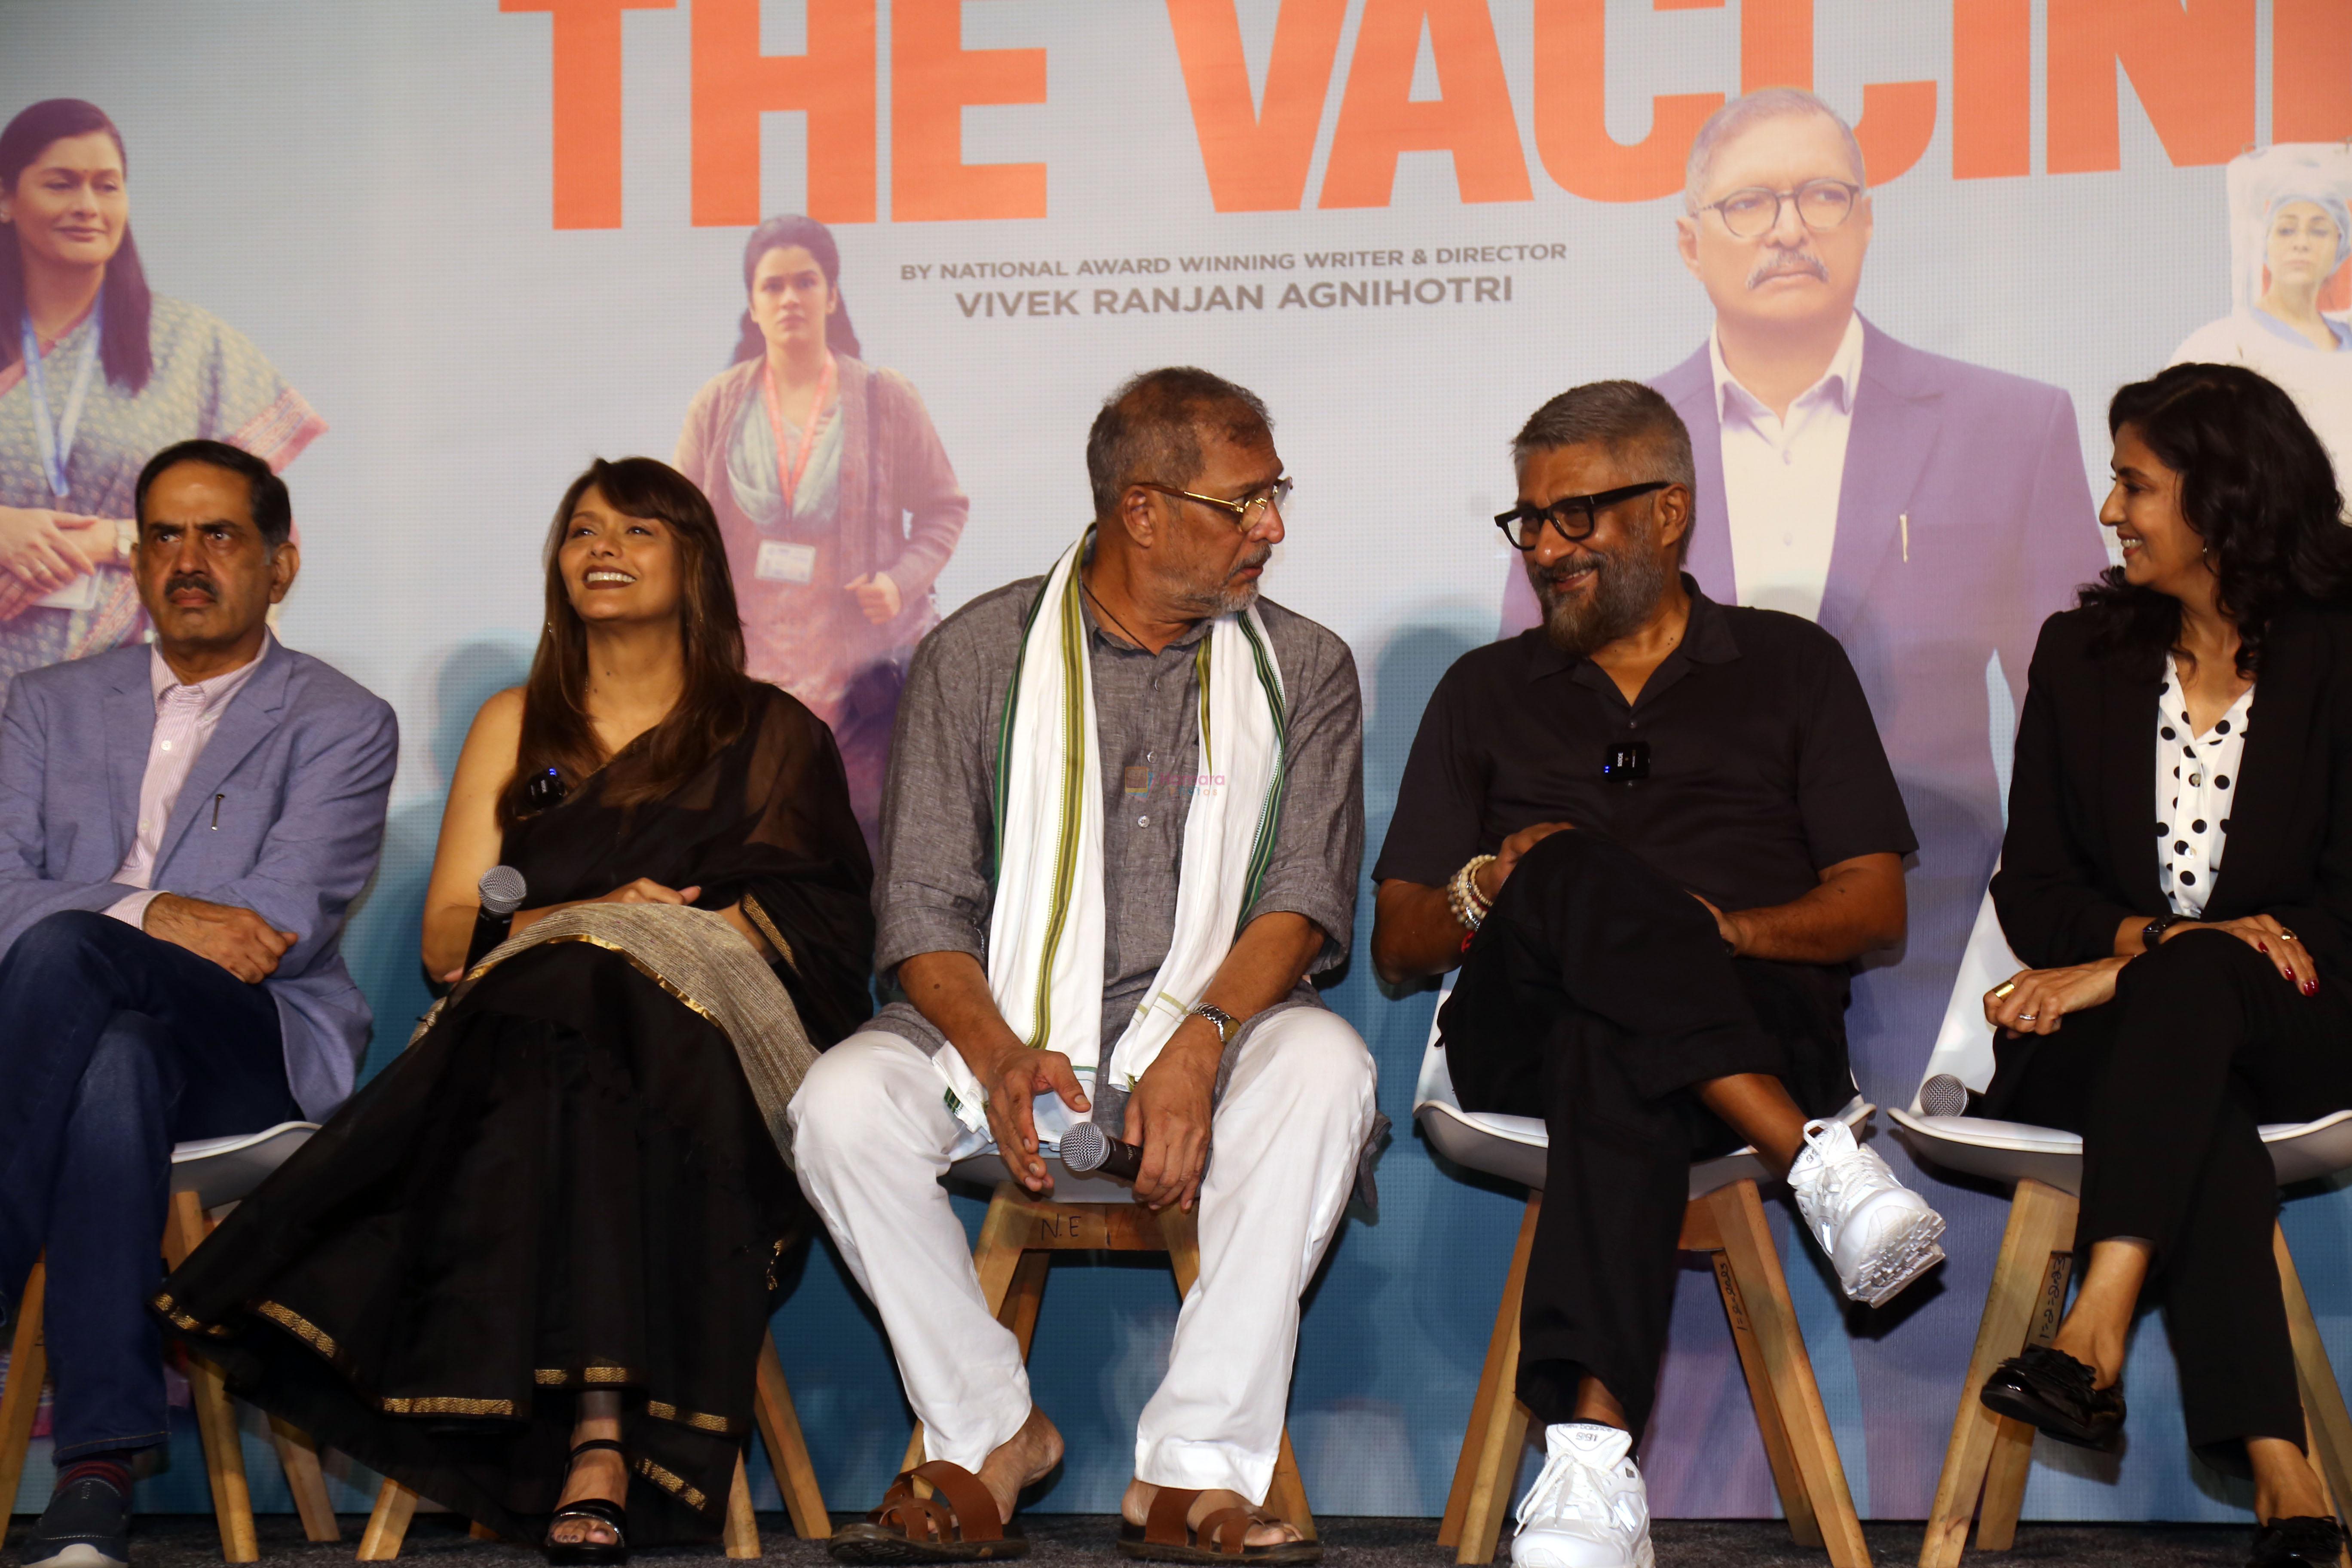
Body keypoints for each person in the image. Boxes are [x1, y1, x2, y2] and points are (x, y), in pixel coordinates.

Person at [152, 458, 875, 1561]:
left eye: (636, 531)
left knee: (597, 999)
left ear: (694, 563)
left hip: (704, 1075)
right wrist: (592, 912)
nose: (602, 548)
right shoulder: (515, 721)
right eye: (582, 530)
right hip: (529, 1045)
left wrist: (663, 937)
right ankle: (598, 1438)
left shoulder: (772, 733)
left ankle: (563, 1420)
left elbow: (822, 936)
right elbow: (451, 938)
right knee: (574, 991)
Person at [790, 368, 1374, 1564]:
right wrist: (1001, 1057)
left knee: (1324, 1067)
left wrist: (1200, 1042)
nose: (1274, 527)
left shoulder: (1303, 668)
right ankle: (994, 1431)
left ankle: (1193, 1469)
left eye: (1278, 495)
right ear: (1142, 511)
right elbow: (920, 910)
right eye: (1246, 501)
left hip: (1225, 1024)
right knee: (837, 1105)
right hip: (1008, 1030)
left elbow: (1303, 903)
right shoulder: (977, 654)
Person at [1379, 382, 1945, 1568]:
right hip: (1513, 1035)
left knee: (1613, 1040)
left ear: (1669, 513)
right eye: (1528, 522)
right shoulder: (1486, 691)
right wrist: (1492, 887)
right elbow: (1396, 944)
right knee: (1572, 872)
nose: (1543, 548)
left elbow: (1874, 910)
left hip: (1750, 1016)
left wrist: (1719, 933)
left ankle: (1588, 1468)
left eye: (1573, 519)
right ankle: (1816, 1164)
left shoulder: (1792, 666)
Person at [1500, 86, 2105, 1132]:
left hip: (1939, 928)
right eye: (1748, 203)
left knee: (1945, 1261)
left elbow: (2080, 722)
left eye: (1821, 195)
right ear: (1688, 244)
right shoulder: (1597, 466)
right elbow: (1535, 715)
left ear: (1865, 222)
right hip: (1656, 924)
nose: (1787, 227)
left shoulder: (2010, 423)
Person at [1972, 364, 2352, 1568]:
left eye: (2135, 483)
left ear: (2226, 495)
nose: (2110, 510)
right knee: (2201, 1108)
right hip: (2118, 1054)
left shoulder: (2346, 652)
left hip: (2306, 1024)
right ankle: (2286, 1476)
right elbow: (2033, 893)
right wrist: (2158, 951)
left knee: (2195, 1017)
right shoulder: (2082, 654)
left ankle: (2092, 1333)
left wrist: (2143, 967)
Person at [0, 438, 393, 1568]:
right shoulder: (45, 702)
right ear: (134, 559)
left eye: (218, 534)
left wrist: (100, 919)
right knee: (114, 1058)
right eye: (165, 536)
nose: (188, 559)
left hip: (251, 1045)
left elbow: (267, 930)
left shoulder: (341, 720)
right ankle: (96, 1473)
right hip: (85, 1039)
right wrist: (159, 913)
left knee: (73, 950)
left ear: (282, 562)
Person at [0, 98, 325, 703]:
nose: (88, 207)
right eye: (61, 184)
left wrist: (108, 540)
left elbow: (262, 537)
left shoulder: (191, 346)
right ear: (6, 197)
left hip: (145, 680)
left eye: (108, 186)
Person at [675, 213, 968, 850]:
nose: (790, 299)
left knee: (868, 860)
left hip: (863, 686)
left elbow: (945, 508)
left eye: (805, 283)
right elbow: (680, 535)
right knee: (757, 855)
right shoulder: (718, 406)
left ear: (832, 296)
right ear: (752, 304)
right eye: (772, 286)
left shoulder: (885, 399)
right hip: (751, 684)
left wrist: (899, 582)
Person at [2173, 186, 2352, 487]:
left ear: (2341, 244)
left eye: (2319, 231)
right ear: (2264, 244)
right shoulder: (2218, 343)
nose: (2302, 243)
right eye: (2286, 230)